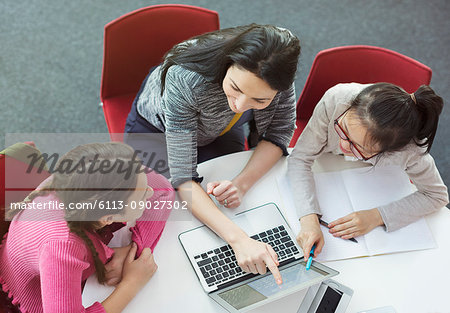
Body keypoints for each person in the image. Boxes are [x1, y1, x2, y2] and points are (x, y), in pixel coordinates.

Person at [124, 23, 301, 284]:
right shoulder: (185, 78)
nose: (240, 106)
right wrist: (239, 240)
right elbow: (183, 176)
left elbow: (279, 133)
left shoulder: (277, 74)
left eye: (260, 100)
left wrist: (241, 185)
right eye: (236, 88)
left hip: (219, 129)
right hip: (157, 131)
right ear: (228, 63)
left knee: (220, 205)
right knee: (157, 208)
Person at [0, 142, 175, 313]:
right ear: (108, 218)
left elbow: (163, 188)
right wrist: (131, 283)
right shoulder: (62, 246)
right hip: (36, 296)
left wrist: (134, 250)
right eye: (143, 195)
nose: (150, 192)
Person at [288, 82, 449, 260]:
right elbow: (300, 157)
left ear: (389, 152)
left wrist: (377, 216)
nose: (342, 144)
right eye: (343, 129)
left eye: (358, 148)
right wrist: (309, 218)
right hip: (326, 166)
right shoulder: (337, 100)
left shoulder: (411, 151)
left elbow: (437, 195)